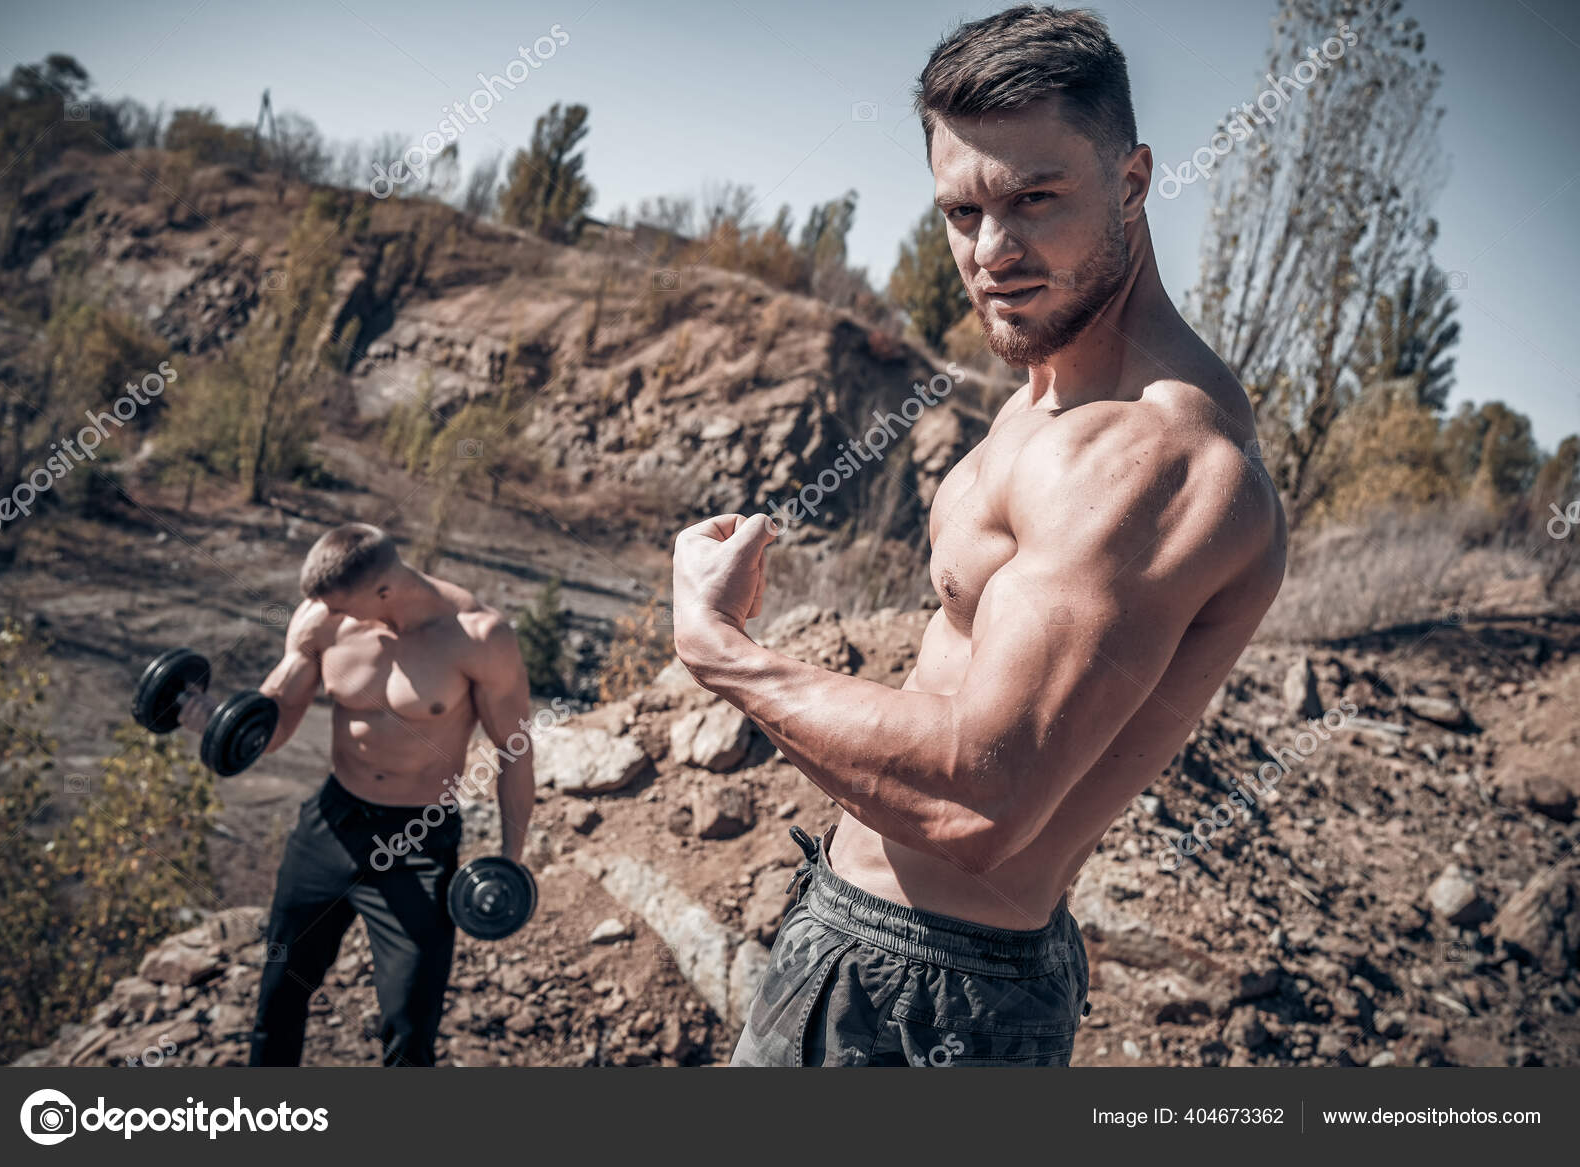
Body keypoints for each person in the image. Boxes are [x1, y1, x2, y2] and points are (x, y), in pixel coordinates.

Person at [673, 5, 1286, 1067]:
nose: (991, 253)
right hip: (881, 952)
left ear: (1133, 185)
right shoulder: (1043, 400)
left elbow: (977, 800)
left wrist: (720, 650)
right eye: (960, 212)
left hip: (929, 994)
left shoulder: (1147, 453)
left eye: (1034, 200)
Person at [247, 523, 534, 1067]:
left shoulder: (477, 638)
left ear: (383, 592)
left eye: (343, 607)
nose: (329, 616)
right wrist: (211, 724)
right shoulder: (324, 617)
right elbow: (273, 724)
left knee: (408, 1024)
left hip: (418, 844)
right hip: (330, 824)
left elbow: (514, 751)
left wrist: (509, 860)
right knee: (280, 993)